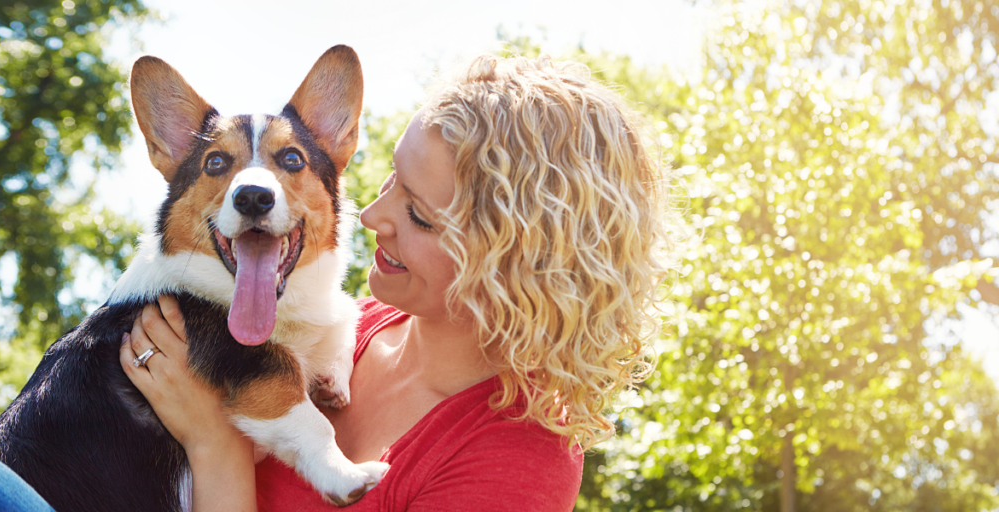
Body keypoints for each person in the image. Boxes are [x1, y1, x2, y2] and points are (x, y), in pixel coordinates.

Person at [120, 54, 676, 511]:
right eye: (392, 179)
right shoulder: (332, 332)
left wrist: (215, 448)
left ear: (510, 263)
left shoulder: (516, 460)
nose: (370, 217)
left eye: (420, 216)